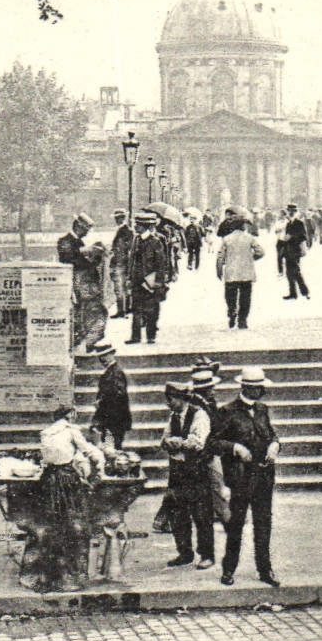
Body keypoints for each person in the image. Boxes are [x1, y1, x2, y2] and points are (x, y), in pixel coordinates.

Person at [211, 366, 280, 587]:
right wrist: (235, 448)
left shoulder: (262, 409)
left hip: (263, 476)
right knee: (236, 525)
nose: (261, 392)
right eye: (257, 388)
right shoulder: (227, 411)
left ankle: (265, 569)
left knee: (263, 524)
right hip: (240, 478)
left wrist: (275, 445)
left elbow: (271, 435)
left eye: (261, 388)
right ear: (246, 387)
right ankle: (229, 569)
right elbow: (212, 443)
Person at [26, 404, 103, 593]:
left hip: (48, 479)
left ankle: (45, 575)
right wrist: (100, 462)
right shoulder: (71, 430)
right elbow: (88, 450)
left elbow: (47, 458)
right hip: (66, 480)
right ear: (69, 416)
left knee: (51, 525)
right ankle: (68, 575)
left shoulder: (47, 432)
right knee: (71, 525)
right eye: (73, 414)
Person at [161, 366, 221, 570]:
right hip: (177, 471)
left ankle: (207, 555)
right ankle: (184, 552)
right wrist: (169, 442)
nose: (168, 403)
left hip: (196, 469)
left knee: (201, 513)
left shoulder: (199, 415)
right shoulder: (173, 416)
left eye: (171, 399)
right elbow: (164, 438)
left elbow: (197, 442)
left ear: (181, 399)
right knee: (177, 512)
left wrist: (178, 442)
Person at [57, 213, 108, 352]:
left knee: (89, 313)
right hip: (80, 285)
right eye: (85, 230)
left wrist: (96, 256)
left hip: (85, 284)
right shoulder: (65, 241)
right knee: (93, 312)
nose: (86, 233)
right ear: (78, 227)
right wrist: (88, 252)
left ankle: (88, 343)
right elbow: (71, 259)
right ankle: (86, 344)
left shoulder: (77, 242)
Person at [127, 210, 169, 345]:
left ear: (143, 226)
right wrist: (129, 278)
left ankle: (151, 336)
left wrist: (158, 282)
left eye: (137, 225)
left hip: (150, 281)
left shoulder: (155, 242)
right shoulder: (136, 240)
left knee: (151, 309)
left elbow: (161, 263)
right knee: (136, 308)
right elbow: (132, 260)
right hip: (137, 280)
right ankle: (135, 336)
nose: (135, 227)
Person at [217, 213, 265, 329]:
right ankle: (242, 320)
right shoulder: (250, 238)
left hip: (231, 272)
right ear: (243, 226)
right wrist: (251, 258)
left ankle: (232, 311)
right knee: (245, 297)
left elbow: (220, 257)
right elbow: (261, 252)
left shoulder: (226, 239)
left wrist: (219, 270)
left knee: (230, 296)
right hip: (246, 272)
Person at [88, 340, 131, 450]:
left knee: (112, 448)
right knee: (110, 447)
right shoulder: (110, 371)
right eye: (100, 357)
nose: (102, 359)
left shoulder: (116, 373)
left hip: (114, 420)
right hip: (110, 419)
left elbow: (118, 395)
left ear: (112, 354)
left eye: (105, 355)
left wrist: (101, 402)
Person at [108, 208, 134, 319]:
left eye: (119, 218)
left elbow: (127, 248)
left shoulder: (125, 231)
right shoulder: (126, 231)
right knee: (124, 287)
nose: (117, 220)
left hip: (121, 262)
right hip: (123, 262)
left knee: (119, 287)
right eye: (117, 218)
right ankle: (126, 309)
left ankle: (122, 310)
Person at [282, 203, 310, 299]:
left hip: (295, 251)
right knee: (289, 273)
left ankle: (305, 291)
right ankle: (293, 293)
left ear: (295, 212)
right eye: (289, 211)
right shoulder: (289, 223)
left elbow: (303, 236)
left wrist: (291, 237)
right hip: (288, 251)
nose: (290, 213)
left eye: (292, 211)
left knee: (296, 272)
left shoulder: (299, 223)